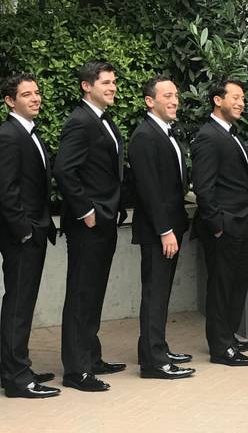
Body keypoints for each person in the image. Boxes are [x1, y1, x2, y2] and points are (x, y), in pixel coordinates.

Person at [54, 61, 127, 392]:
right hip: (88, 223)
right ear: (87, 86)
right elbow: (64, 170)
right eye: (106, 82)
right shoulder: (80, 121)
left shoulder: (103, 119)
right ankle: (76, 370)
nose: (112, 87)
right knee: (82, 294)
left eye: (113, 82)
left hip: (105, 220)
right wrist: (86, 211)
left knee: (94, 292)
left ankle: (91, 356)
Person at [127, 76, 195, 379]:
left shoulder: (168, 133)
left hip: (171, 226)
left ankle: (155, 348)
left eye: (176, 95)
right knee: (154, 293)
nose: (174, 100)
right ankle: (154, 362)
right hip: (159, 230)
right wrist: (165, 230)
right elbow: (149, 189)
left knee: (161, 292)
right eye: (167, 95)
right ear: (149, 101)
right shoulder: (144, 136)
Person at [192, 79, 248, 366]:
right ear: (218, 100)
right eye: (235, 97)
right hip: (224, 226)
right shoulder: (209, 136)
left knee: (239, 281)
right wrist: (218, 225)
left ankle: (229, 337)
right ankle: (221, 347)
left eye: (243, 98)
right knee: (221, 286)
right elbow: (204, 188)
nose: (241, 102)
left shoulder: (231, 134)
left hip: (243, 222)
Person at [0, 74, 59, 398]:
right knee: (19, 305)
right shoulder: (9, 135)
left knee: (21, 303)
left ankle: (13, 366)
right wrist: (24, 232)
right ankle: (17, 378)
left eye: (37, 92)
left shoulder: (28, 132)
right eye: (27, 94)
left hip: (33, 231)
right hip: (21, 236)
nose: (36, 98)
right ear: (10, 101)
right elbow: (6, 192)